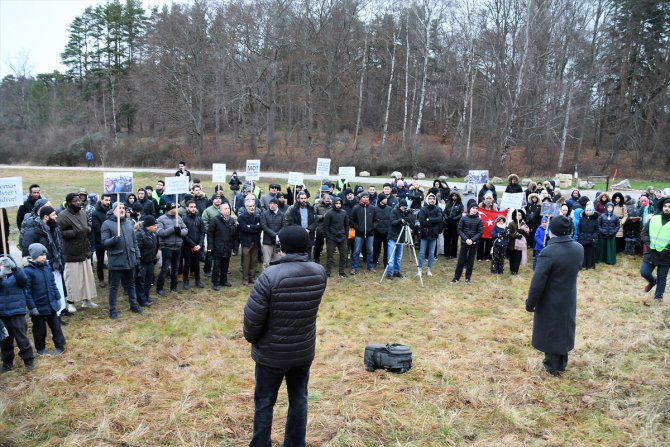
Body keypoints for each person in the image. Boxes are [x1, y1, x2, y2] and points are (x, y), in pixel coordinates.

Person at [243, 226, 327, 447]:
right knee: (299, 400)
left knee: (264, 402)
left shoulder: (270, 275)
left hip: (271, 354)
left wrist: (254, 340)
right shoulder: (319, 272)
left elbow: (252, 322)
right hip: (302, 351)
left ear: (282, 248)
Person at [525, 216, 584, 377]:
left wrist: (530, 302)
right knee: (564, 328)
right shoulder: (578, 248)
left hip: (551, 298)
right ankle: (562, 362)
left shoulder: (548, 252)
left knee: (551, 330)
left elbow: (538, 282)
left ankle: (551, 366)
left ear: (552, 231)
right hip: (569, 296)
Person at [23, 243, 66, 356]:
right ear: (34, 256)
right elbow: (26, 291)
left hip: (50, 304)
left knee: (56, 326)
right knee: (39, 329)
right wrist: (32, 307)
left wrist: (57, 298)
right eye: (41, 255)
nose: (44, 257)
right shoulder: (28, 271)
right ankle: (41, 349)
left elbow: (53, 284)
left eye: (45, 254)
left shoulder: (47, 268)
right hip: (38, 306)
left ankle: (60, 345)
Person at [101, 202, 142, 319]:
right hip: (116, 260)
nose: (122, 210)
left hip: (130, 259)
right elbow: (104, 242)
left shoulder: (129, 223)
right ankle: (112, 310)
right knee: (114, 286)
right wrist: (114, 239)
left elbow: (134, 241)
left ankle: (133, 305)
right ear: (113, 210)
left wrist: (137, 255)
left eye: (123, 208)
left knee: (131, 284)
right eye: (119, 208)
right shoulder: (107, 224)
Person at [58, 193, 98, 312]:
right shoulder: (62, 216)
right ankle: (70, 301)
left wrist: (88, 229)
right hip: (71, 252)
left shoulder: (82, 212)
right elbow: (59, 232)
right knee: (73, 279)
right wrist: (74, 232)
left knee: (87, 277)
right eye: (75, 201)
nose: (78, 203)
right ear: (69, 202)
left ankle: (87, 300)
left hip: (84, 250)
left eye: (79, 201)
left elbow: (88, 223)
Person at [0, 256, 34, 372]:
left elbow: (24, 280)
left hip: (17, 313)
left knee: (22, 339)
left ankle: (29, 361)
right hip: (2, 314)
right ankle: (7, 363)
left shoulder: (17, 276)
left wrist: (15, 268)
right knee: (5, 341)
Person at [640, 197, 670, 304]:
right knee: (644, 272)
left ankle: (658, 298)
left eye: (669, 207)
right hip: (651, 252)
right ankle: (653, 282)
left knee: (662, 277)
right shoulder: (654, 218)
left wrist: (667, 249)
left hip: (666, 255)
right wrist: (648, 243)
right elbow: (644, 233)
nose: (667, 208)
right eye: (665, 206)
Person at [155, 202, 188, 296]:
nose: (177, 209)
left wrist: (180, 232)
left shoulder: (179, 218)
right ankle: (159, 288)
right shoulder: (161, 219)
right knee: (165, 269)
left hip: (177, 247)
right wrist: (173, 229)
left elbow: (186, 229)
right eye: (175, 208)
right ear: (170, 209)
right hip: (167, 247)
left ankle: (174, 287)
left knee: (176, 268)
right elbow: (160, 232)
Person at [207, 203, 238, 290]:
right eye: (225, 208)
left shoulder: (232, 221)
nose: (227, 210)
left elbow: (235, 236)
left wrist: (235, 248)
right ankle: (215, 282)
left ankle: (223, 280)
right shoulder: (215, 220)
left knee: (225, 265)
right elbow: (210, 234)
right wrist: (210, 246)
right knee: (217, 266)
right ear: (220, 210)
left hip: (228, 247)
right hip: (217, 247)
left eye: (228, 208)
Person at [452, 200, 483, 284]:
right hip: (464, 242)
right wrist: (466, 239)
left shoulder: (479, 220)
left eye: (476, 208)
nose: (475, 209)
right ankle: (456, 278)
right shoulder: (464, 218)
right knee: (461, 260)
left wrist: (472, 240)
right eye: (473, 208)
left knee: (470, 261)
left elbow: (480, 232)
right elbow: (459, 229)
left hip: (474, 243)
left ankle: (467, 278)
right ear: (469, 209)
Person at [416, 193, 443, 276]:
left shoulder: (438, 209)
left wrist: (429, 219)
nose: (432, 200)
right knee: (422, 253)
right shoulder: (423, 209)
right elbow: (422, 221)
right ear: (428, 200)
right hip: (424, 234)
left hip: (434, 234)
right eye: (430, 199)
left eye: (433, 199)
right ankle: (420, 269)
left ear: (435, 200)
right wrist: (433, 223)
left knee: (431, 253)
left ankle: (428, 269)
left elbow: (439, 219)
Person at [181, 200, 205, 290]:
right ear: (187, 208)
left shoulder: (199, 218)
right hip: (187, 246)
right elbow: (184, 235)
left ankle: (197, 280)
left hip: (198, 246)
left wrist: (199, 245)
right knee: (187, 263)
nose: (193, 208)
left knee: (196, 264)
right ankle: (186, 281)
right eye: (191, 207)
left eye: (194, 207)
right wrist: (192, 245)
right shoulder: (184, 219)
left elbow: (203, 232)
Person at [238, 198, 262, 286]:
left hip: (255, 242)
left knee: (254, 261)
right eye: (250, 206)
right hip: (246, 242)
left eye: (253, 206)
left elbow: (260, 227)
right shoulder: (241, 217)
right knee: (246, 261)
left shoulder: (257, 216)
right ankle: (245, 279)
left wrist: (251, 226)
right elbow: (245, 229)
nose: (252, 208)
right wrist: (255, 227)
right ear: (246, 207)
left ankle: (252, 277)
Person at [350, 192, 376, 274]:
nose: (365, 198)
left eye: (367, 197)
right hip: (359, 234)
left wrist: (372, 227)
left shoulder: (372, 208)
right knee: (356, 251)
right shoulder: (356, 208)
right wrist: (358, 227)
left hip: (370, 234)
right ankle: (354, 267)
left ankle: (370, 266)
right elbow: (352, 220)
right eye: (364, 197)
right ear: (361, 198)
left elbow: (376, 220)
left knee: (370, 251)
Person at [324, 196, 350, 278]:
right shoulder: (329, 213)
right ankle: (328, 272)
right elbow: (326, 226)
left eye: (339, 203)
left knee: (343, 255)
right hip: (332, 237)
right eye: (337, 203)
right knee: (330, 256)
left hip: (342, 237)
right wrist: (328, 236)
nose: (338, 205)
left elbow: (346, 225)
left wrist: (346, 235)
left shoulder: (344, 212)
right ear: (333, 203)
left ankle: (341, 272)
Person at [135, 216, 158, 306]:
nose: (156, 227)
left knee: (149, 280)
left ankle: (146, 296)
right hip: (142, 262)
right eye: (154, 225)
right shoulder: (139, 234)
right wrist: (138, 262)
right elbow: (137, 249)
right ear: (148, 226)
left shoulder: (153, 234)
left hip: (150, 261)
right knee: (141, 281)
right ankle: (141, 300)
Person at [92, 193, 112, 288]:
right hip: (99, 241)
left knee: (112, 260)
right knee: (100, 261)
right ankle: (101, 280)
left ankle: (111, 279)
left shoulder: (112, 211)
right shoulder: (96, 213)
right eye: (106, 200)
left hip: (110, 240)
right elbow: (96, 228)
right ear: (101, 200)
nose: (108, 202)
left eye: (109, 200)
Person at [260, 198, 283, 269]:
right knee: (266, 262)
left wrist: (278, 235)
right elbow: (264, 226)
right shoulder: (264, 214)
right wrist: (275, 235)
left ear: (277, 205)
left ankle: (276, 278)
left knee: (278, 261)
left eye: (274, 204)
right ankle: (265, 278)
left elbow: (284, 226)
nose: (272, 205)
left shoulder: (282, 214)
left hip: (278, 242)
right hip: (267, 241)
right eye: (270, 203)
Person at [577, 204, 599, 269]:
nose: (588, 211)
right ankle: (582, 265)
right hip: (582, 238)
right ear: (585, 211)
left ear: (592, 211)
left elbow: (597, 230)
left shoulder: (595, 220)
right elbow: (579, 228)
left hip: (590, 239)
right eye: (587, 210)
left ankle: (589, 264)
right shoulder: (581, 219)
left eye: (590, 210)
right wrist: (580, 235)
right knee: (582, 252)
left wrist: (593, 237)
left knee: (590, 252)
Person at [443, 191, 463, 259]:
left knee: (454, 239)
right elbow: (445, 212)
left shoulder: (460, 204)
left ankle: (453, 254)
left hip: (455, 223)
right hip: (448, 223)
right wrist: (446, 217)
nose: (454, 197)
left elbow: (461, 214)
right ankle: (447, 253)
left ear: (458, 197)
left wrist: (454, 218)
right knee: (447, 239)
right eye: (453, 195)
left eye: (455, 196)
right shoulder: (448, 203)